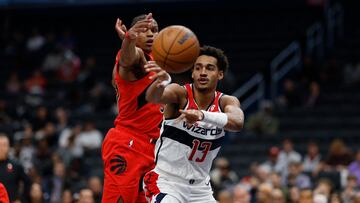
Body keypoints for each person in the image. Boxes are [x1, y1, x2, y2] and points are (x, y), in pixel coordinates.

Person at [143, 46, 244, 202]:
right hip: (167, 182)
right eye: (198, 68)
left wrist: (202, 115)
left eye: (209, 68)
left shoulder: (226, 102)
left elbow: (237, 122)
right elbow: (153, 98)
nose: (203, 72)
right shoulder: (180, 94)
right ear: (192, 73)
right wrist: (161, 82)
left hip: (200, 189)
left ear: (220, 74)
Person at [101, 13, 164, 203]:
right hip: (128, 144)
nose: (151, 34)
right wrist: (129, 41)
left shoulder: (154, 60)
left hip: (151, 149)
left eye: (154, 30)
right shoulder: (132, 58)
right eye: (144, 30)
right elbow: (129, 58)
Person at [0, 133, 31, 202]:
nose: (1, 148)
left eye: (4, 145)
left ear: (9, 147)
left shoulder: (15, 165)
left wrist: (21, 199)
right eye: (0, 145)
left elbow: (28, 182)